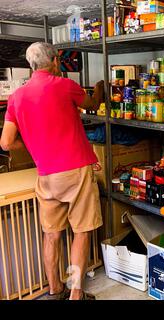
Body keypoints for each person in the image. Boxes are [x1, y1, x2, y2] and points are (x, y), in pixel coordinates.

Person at [1, 42, 105, 300]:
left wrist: (35, 149)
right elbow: (91, 104)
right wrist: (101, 89)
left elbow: (6, 142)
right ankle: (76, 294)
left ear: (30, 65)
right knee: (81, 231)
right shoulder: (65, 85)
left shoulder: (17, 97)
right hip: (76, 171)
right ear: (56, 62)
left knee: (52, 234)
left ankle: (55, 289)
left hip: (46, 174)